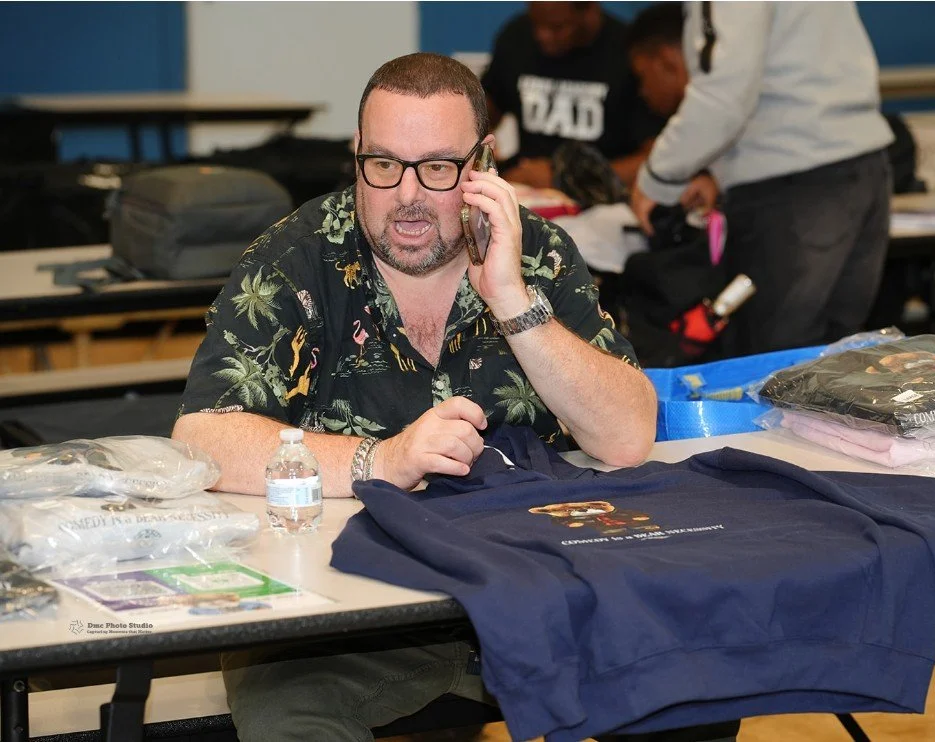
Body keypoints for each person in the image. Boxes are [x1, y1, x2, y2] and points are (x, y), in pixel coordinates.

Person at [172, 52, 657, 741]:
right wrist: (381, 460)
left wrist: (513, 301)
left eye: (437, 168)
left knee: (682, 690)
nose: (407, 195)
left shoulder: (536, 253)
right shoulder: (297, 257)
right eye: (383, 165)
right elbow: (203, 437)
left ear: (483, 163)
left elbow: (629, 435)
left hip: (534, 587)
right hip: (346, 615)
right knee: (289, 719)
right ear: (356, 156)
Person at [628, 1, 895, 357]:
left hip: (793, 187)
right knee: (832, 367)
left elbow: (725, 92)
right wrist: (715, 169)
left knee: (773, 373)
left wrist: (658, 177)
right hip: (859, 169)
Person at [481, 1, 666, 190]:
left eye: (557, 27)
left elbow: (655, 159)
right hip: (527, 186)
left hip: (603, 197)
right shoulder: (515, 37)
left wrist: (566, 179)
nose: (541, 35)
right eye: (535, 23)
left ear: (590, 10)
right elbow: (484, 110)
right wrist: (481, 150)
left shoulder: (630, 53)